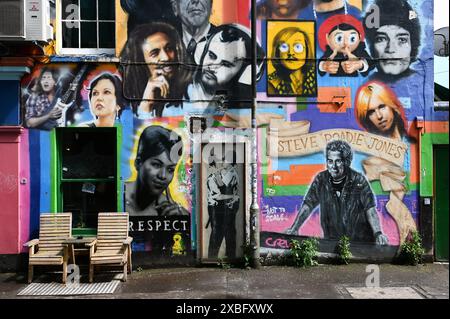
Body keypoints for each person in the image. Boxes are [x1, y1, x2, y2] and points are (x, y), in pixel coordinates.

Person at [285, 140, 389, 245]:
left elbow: (370, 209)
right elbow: (308, 205)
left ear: (346, 162)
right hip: (332, 242)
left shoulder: (359, 181)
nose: (333, 166)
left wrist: (378, 233)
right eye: (330, 161)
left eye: (338, 161)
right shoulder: (321, 180)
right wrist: (294, 228)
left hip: (360, 242)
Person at [120, 22, 191, 118]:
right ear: (141, 61)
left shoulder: (192, 91)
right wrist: (146, 105)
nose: (165, 57)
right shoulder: (127, 101)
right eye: (155, 53)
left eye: (169, 48)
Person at [188, 24, 265, 109]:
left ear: (243, 71)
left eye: (225, 64)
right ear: (202, 50)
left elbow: (218, 119)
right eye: (211, 55)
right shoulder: (185, 87)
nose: (213, 67)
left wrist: (243, 87)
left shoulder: (235, 96)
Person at [125, 125, 189, 216]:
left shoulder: (174, 213)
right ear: (138, 163)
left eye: (170, 169)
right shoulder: (114, 196)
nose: (163, 175)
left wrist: (184, 222)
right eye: (156, 165)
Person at [363, 0, 421, 80]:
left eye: (402, 40)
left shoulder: (423, 82)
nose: (390, 49)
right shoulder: (362, 85)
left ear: (413, 45)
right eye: (381, 39)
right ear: (371, 45)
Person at [206, 150, 240, 259]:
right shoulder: (215, 176)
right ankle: (213, 257)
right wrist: (232, 198)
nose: (222, 162)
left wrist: (233, 201)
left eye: (225, 160)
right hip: (216, 208)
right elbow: (217, 196)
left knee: (228, 233)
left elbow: (234, 192)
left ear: (231, 162)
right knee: (217, 233)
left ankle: (229, 256)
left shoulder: (232, 175)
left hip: (227, 208)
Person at [268, 26, 316, 96]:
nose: (291, 52)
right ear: (277, 53)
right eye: (284, 47)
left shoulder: (316, 76)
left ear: (307, 51)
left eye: (298, 47)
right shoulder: (271, 82)